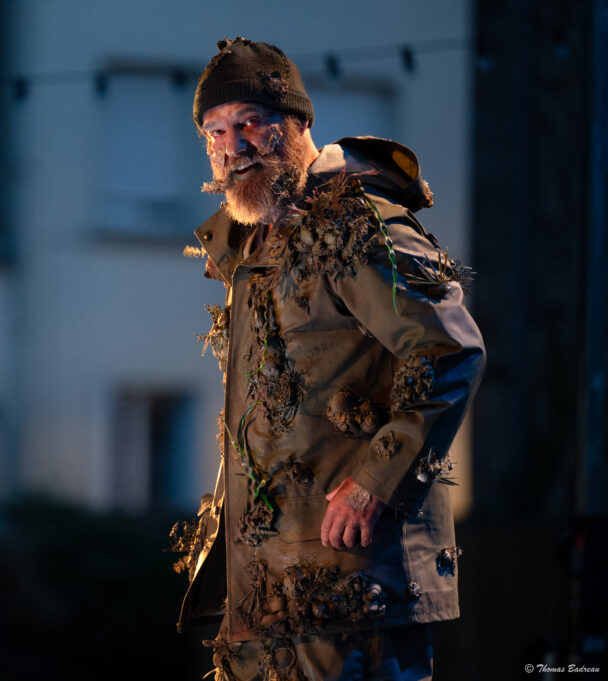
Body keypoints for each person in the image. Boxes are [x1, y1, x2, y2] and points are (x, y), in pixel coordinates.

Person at [171, 38, 485, 681]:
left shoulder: (353, 223)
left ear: (297, 123)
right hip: (269, 596)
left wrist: (376, 484)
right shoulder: (252, 244)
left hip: (350, 594)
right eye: (215, 132)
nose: (232, 146)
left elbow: (449, 349)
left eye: (250, 123)